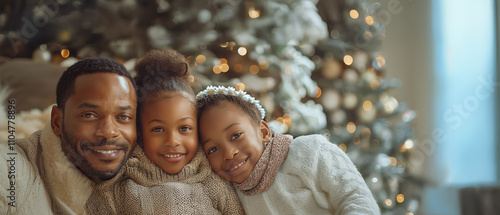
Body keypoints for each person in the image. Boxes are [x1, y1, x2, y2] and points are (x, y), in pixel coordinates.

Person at [86, 49, 244, 214]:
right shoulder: (119, 187)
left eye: (184, 128)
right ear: (140, 135)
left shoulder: (212, 181)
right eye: (158, 129)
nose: (172, 141)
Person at [197, 86, 381, 215]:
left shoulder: (310, 150)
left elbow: (355, 198)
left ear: (263, 132)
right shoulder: (229, 193)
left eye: (236, 135)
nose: (228, 153)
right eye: (213, 148)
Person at [0, 57, 138, 214]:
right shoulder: (10, 171)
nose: (109, 132)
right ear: (57, 121)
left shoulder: (152, 169)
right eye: (89, 115)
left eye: (124, 117)